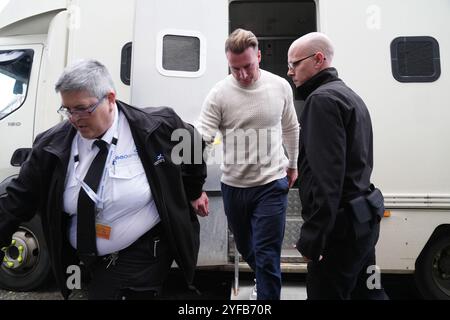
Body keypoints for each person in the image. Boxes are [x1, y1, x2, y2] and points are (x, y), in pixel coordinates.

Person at [0, 59, 208, 300]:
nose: (74, 118)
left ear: (110, 99)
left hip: (142, 251)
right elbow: (17, 199)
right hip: (79, 259)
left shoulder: (156, 126)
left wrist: (193, 191)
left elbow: (193, 142)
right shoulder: (50, 146)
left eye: (82, 108)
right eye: (67, 109)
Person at [197, 28, 299, 300]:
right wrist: (194, 188)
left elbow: (291, 128)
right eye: (234, 68)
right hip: (234, 186)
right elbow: (202, 141)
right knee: (246, 247)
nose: (242, 75)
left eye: (247, 67)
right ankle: (264, 277)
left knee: (266, 254)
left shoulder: (279, 86)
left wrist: (293, 164)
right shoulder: (219, 94)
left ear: (259, 57)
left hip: (271, 184)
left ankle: (266, 292)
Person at [287, 32, 388, 299]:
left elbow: (326, 179)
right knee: (369, 294)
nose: (289, 71)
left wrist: (313, 239)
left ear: (318, 59)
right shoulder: (349, 95)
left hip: (340, 233)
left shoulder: (322, 101)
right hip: (363, 222)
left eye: (295, 63)